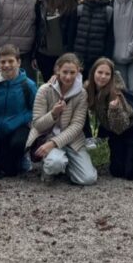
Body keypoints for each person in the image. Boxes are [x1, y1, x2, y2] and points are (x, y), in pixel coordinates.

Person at [27, 52, 97, 186]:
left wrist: (54, 143)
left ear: (78, 71)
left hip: (72, 141)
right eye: (64, 72)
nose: (68, 76)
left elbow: (77, 126)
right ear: (57, 70)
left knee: (88, 179)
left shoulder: (82, 94)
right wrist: (53, 114)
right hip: (46, 136)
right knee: (55, 163)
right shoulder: (44, 90)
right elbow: (37, 124)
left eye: (72, 72)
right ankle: (49, 170)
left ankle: (66, 166)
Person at [87, 57, 133, 180]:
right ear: (93, 73)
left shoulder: (116, 94)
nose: (103, 77)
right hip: (115, 134)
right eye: (100, 72)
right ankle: (129, 155)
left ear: (111, 76)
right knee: (116, 171)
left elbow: (120, 126)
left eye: (107, 74)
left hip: (131, 129)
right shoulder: (90, 89)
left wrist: (115, 110)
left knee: (132, 174)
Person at [0, 45, 38, 177]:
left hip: (19, 126)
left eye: (11, 61)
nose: (7, 65)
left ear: (18, 62)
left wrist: (20, 120)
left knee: (16, 149)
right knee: (6, 170)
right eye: (3, 62)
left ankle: (22, 157)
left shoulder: (28, 85)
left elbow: (35, 110)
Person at [37, 0, 82, 81]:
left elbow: (74, 31)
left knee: (65, 85)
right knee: (49, 85)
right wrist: (34, 54)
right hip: (44, 53)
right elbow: (37, 27)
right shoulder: (42, 0)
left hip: (64, 55)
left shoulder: (74, 3)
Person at [70, 0, 113, 78]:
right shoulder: (79, 9)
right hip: (79, 60)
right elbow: (71, 35)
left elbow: (110, 38)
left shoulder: (108, 10)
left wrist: (105, 60)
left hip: (98, 61)